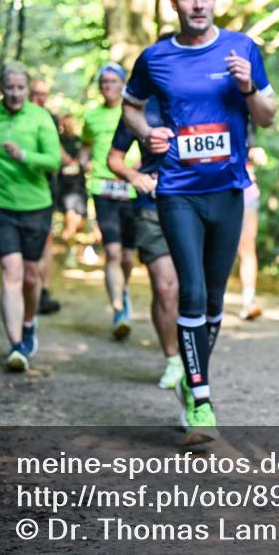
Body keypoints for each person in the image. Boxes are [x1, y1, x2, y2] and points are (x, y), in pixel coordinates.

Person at [120, 0, 276, 444]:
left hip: (227, 190)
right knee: (187, 290)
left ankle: (192, 381)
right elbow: (130, 105)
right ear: (174, 4)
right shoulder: (155, 57)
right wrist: (148, 134)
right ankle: (203, 399)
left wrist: (249, 86)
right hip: (177, 191)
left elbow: (268, 117)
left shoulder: (242, 48)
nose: (197, 4)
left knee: (212, 300)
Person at [0, 62, 61, 371]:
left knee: (31, 276)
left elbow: (53, 162)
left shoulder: (40, 118)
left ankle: (30, 321)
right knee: (11, 272)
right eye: (10, 88)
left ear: (27, 88)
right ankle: (15, 346)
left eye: (21, 88)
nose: (16, 93)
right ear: (1, 89)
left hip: (35, 205)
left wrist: (24, 156)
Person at [107, 96, 185, 415]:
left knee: (191, 289)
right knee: (165, 287)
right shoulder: (142, 109)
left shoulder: (203, 97)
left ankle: (190, 357)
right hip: (153, 208)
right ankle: (173, 359)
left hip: (197, 208)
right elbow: (115, 158)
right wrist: (135, 177)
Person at [83, 62, 140, 340]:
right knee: (113, 252)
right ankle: (118, 310)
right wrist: (78, 163)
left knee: (128, 257)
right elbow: (86, 147)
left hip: (130, 188)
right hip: (102, 189)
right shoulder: (91, 117)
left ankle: (123, 289)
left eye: (112, 81)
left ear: (122, 84)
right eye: (103, 82)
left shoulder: (133, 112)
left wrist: (137, 169)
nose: (108, 86)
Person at [29, 78, 62, 315]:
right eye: (36, 93)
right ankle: (28, 287)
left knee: (46, 240)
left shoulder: (51, 119)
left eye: (44, 94)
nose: (41, 98)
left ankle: (44, 290)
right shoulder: (16, 118)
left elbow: (55, 156)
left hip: (47, 188)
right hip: (19, 189)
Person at [237, 140, 268, 320]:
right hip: (214, 190)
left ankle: (248, 303)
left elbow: (260, 156)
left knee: (247, 248)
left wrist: (255, 154)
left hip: (245, 190)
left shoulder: (249, 122)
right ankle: (210, 301)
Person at [56, 113, 88, 269]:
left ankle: (69, 241)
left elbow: (87, 162)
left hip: (79, 187)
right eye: (65, 123)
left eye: (71, 123)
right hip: (64, 188)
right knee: (70, 219)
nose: (68, 126)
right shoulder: (57, 141)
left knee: (79, 222)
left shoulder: (80, 141)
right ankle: (71, 252)